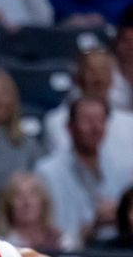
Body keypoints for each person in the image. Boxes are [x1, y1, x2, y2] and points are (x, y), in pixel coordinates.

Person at [35, 97, 126, 247]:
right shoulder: (47, 172)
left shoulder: (120, 168)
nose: (95, 127)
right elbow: (49, 233)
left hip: (116, 255)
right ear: (69, 127)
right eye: (87, 120)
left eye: (100, 120)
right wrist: (92, 226)